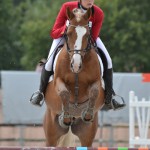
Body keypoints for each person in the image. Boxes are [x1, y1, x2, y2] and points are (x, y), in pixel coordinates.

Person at [30, 0, 126, 110]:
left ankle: (110, 97)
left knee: (108, 60)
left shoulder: (98, 13)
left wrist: (82, 44)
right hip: (65, 36)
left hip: (85, 39)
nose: (90, 1)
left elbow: (93, 36)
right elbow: (54, 32)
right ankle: (40, 93)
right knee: (49, 61)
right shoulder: (67, 7)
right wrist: (66, 28)